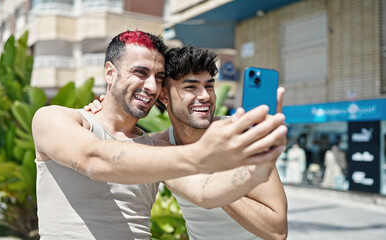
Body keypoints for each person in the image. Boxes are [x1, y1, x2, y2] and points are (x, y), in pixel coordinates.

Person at [32, 30, 287, 239]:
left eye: (159, 76)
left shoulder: (156, 149)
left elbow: (204, 193)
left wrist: (258, 166)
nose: (151, 86)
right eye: (140, 73)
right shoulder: (53, 118)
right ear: (109, 73)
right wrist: (203, 154)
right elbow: (95, 160)